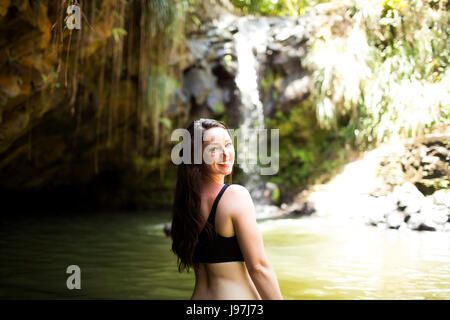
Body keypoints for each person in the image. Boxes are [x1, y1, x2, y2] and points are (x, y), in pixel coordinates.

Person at [171, 118, 283, 300]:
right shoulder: (235, 196)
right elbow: (259, 268)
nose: (225, 154)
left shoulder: (186, 202)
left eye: (228, 144)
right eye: (213, 149)